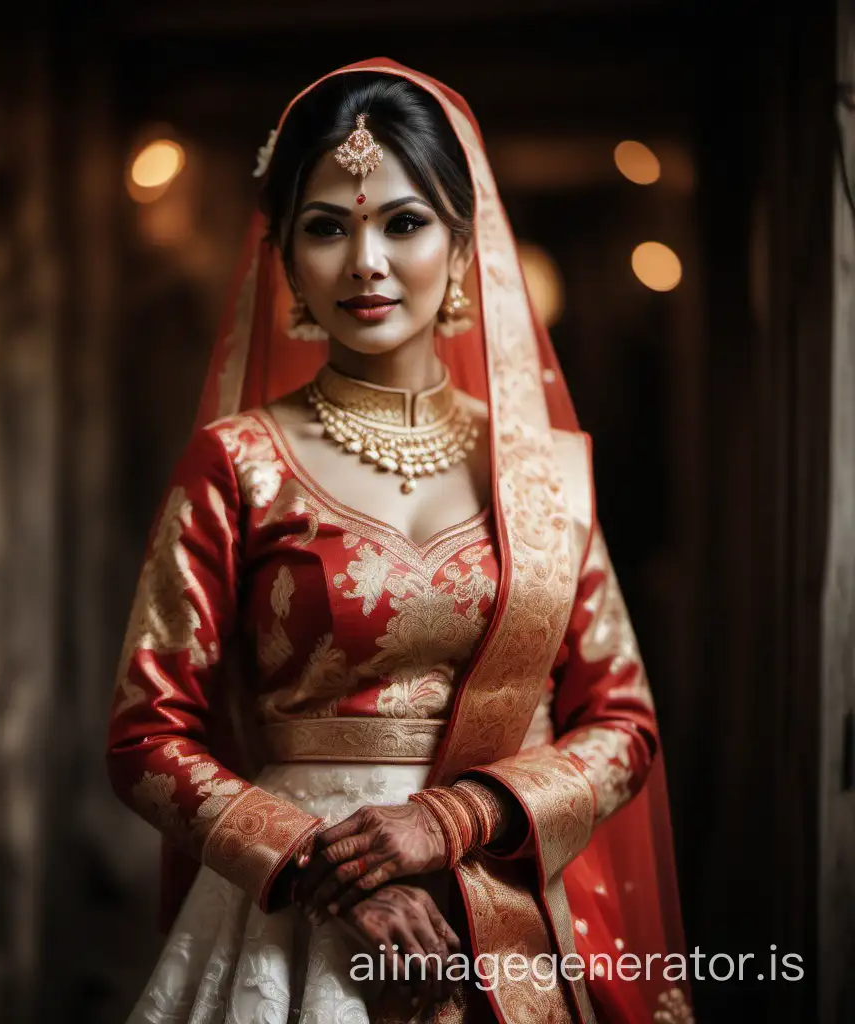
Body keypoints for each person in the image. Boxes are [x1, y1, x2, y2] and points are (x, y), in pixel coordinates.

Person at [107, 58, 693, 1024]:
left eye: (405, 222)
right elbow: (144, 736)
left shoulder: (540, 474)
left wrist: (454, 818)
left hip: (505, 911)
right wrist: (321, 873)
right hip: (304, 923)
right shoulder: (239, 463)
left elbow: (623, 723)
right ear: (287, 260)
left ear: (465, 248)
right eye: (328, 227)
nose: (367, 261)